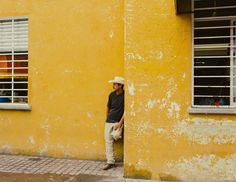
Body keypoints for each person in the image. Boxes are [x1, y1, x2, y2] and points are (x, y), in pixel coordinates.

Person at [102, 76, 125, 170]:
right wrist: (107, 117)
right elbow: (108, 106)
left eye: (116, 84)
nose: (114, 85)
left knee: (117, 138)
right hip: (109, 121)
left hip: (118, 122)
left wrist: (120, 123)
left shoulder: (125, 96)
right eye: (114, 83)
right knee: (108, 142)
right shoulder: (111, 95)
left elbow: (126, 111)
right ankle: (110, 162)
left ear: (120, 85)